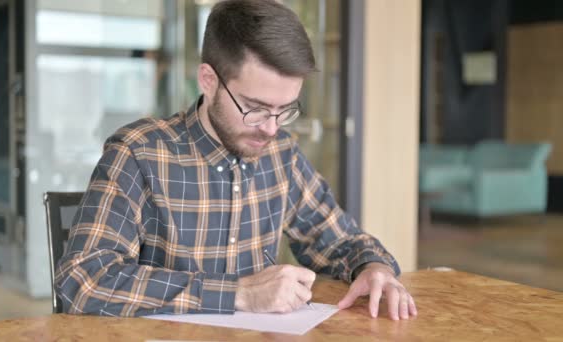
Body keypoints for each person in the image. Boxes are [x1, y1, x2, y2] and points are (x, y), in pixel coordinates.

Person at [55, 0, 417, 321]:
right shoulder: (139, 153)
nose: (271, 129)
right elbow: (84, 280)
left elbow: (342, 241)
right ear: (209, 80)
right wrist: (239, 294)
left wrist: (372, 267)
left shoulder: (282, 155)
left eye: (285, 110)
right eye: (256, 109)